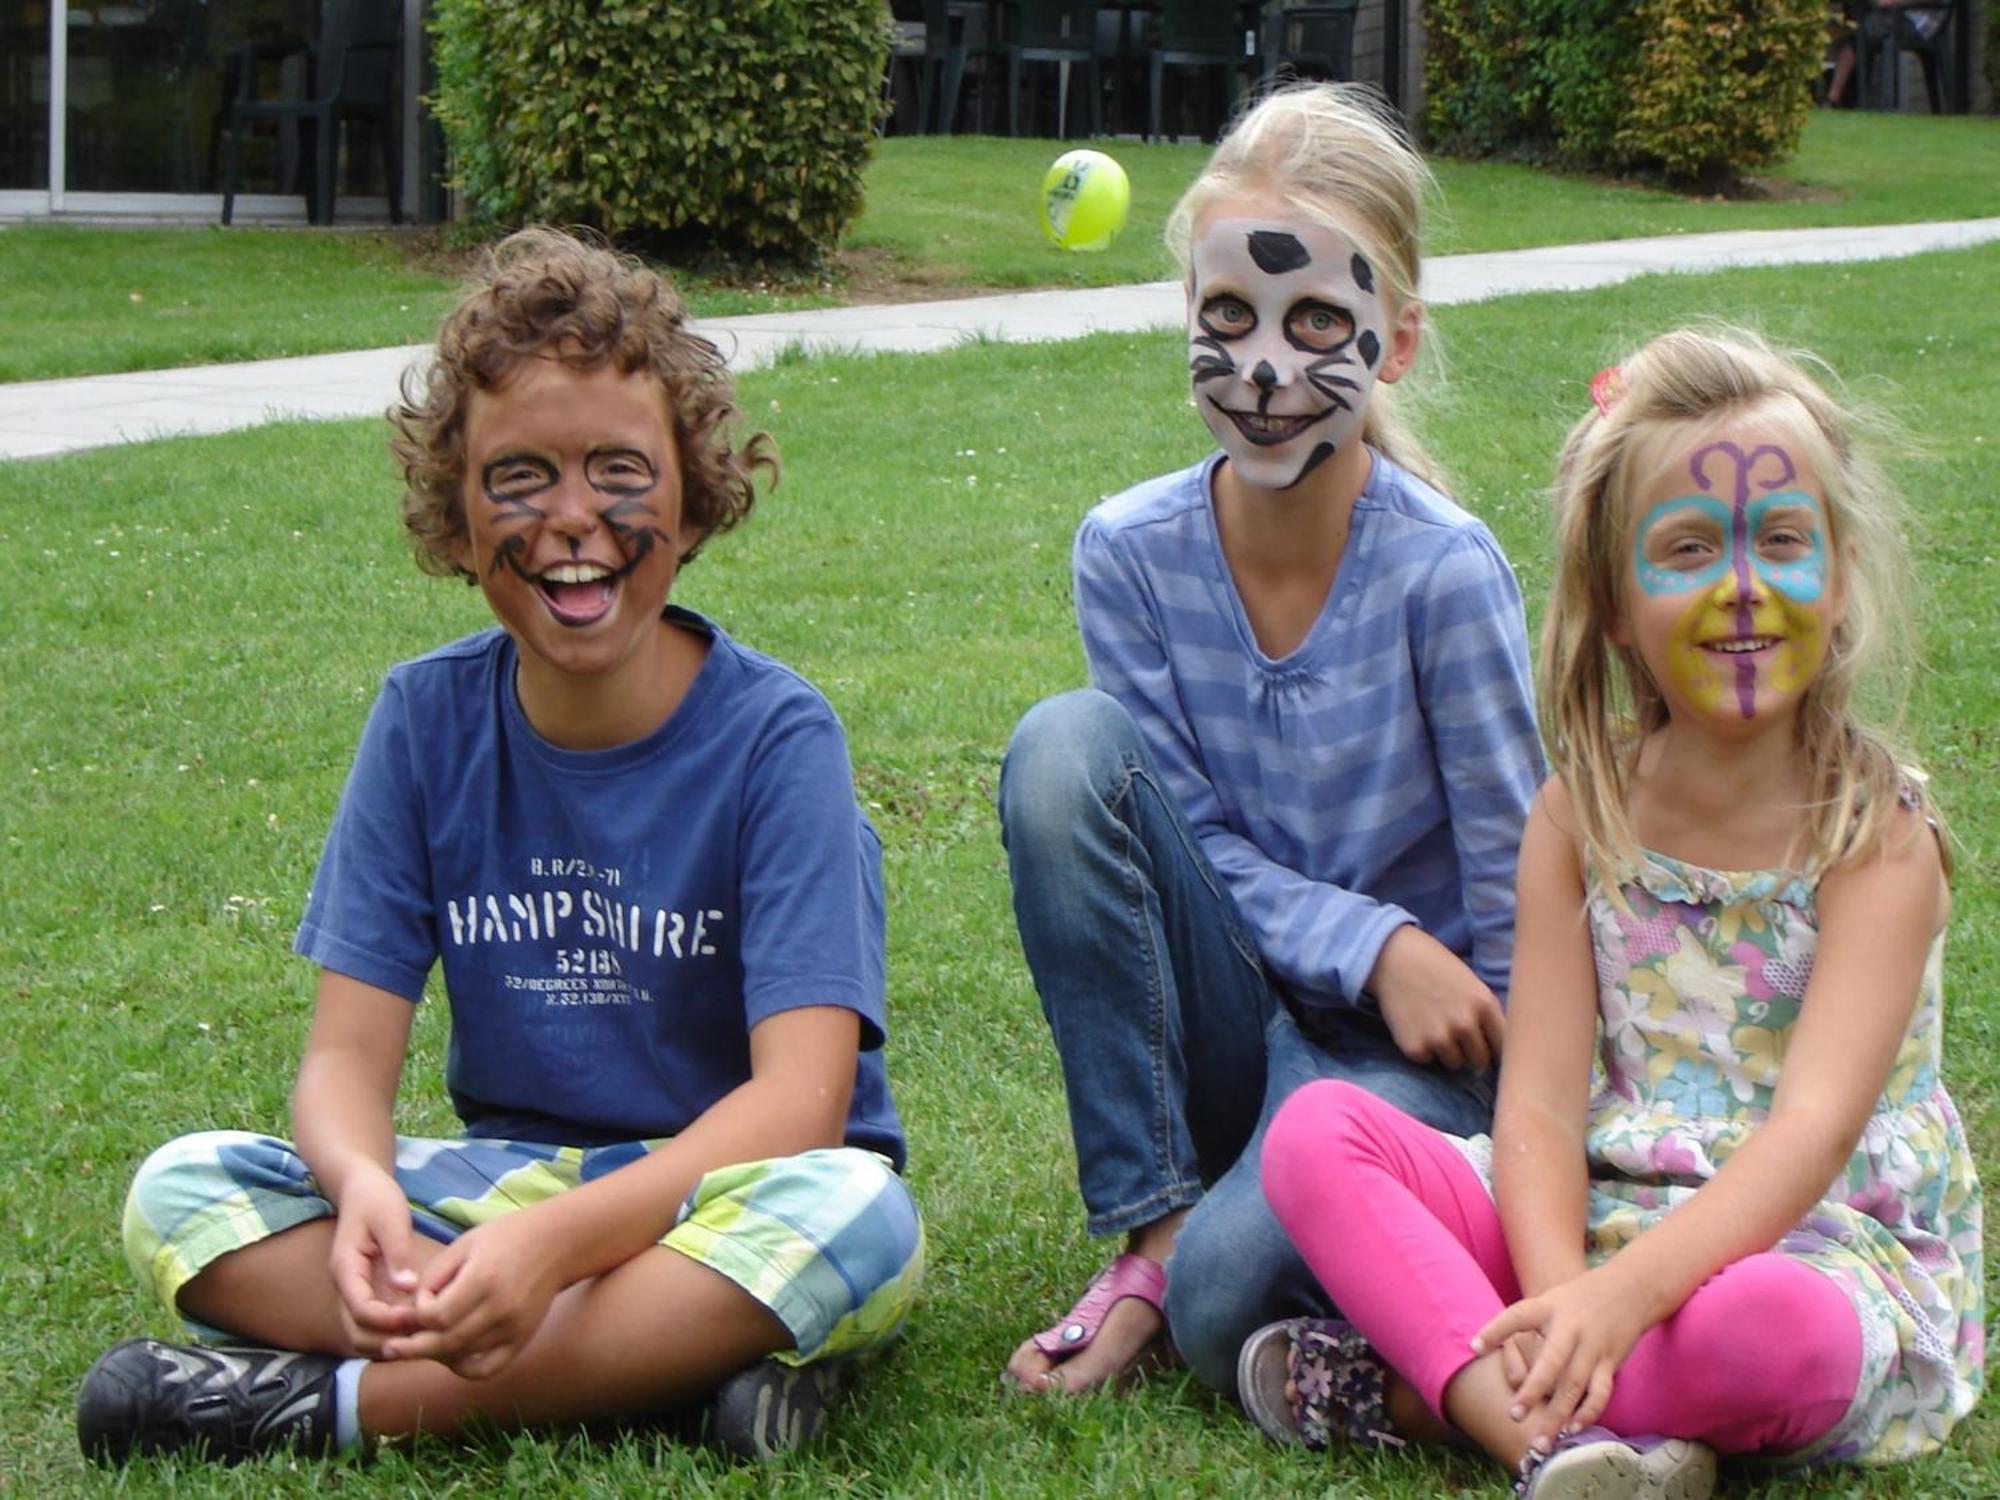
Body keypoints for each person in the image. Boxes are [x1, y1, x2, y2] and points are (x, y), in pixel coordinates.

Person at [76, 229, 925, 1466]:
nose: (573, 517)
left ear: (690, 503)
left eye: (618, 470)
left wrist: (560, 1252)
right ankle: (656, 1373)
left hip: (717, 1189)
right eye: (519, 476)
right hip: (496, 1186)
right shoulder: (424, 722)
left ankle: (338, 1404)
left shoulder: (774, 735)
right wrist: (368, 1194)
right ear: (458, 522)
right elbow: (343, 1063)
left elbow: (800, 1103)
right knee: (183, 1190)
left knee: (856, 1214)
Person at [1249, 329, 1983, 1495]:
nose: (1741, 585)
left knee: (1767, 1330)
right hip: (1598, 1213)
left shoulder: (1874, 840)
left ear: (1836, 574)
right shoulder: (1575, 821)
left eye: (1781, 541)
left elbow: (1809, 1135)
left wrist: (1617, 1301)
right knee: (1315, 1137)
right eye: (1687, 549)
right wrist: (1562, 1297)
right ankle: (1571, 1436)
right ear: (1610, 597)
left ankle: (1416, 1395)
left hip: (1810, 1246)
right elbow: (1535, 1103)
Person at [997, 82, 1543, 1400]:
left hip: (1406, 1071)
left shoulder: (1443, 575)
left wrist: (1542, 1161)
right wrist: (1374, 941)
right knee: (1064, 749)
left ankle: (1303, 1253)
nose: (1264, 371)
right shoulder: (1127, 553)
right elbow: (1190, 846)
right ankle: (1153, 1230)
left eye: (1318, 325)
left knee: (1222, 1304)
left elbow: (1525, 888)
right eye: (1226, 317)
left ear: (1395, 343)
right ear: (1186, 314)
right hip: (1236, 1024)